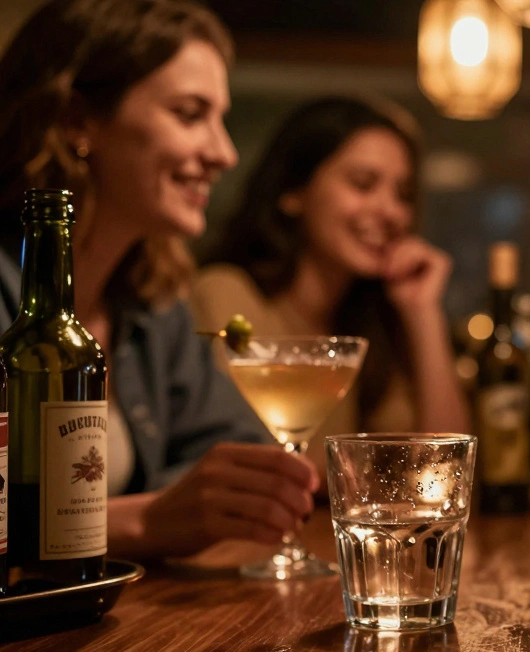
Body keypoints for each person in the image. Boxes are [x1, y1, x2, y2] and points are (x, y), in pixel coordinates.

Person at [0, 0, 317, 559]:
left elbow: (234, 461)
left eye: (221, 118)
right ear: (77, 119)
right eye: (190, 114)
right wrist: (142, 521)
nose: (224, 152)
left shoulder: (152, 302)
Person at [192, 96, 469, 470]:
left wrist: (423, 312)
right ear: (293, 192)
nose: (391, 211)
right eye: (363, 183)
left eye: (402, 194)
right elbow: (251, 462)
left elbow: (446, 468)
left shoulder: (368, 325)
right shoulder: (225, 293)